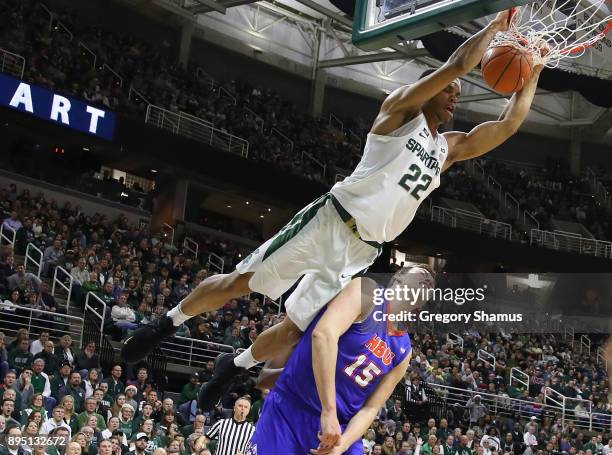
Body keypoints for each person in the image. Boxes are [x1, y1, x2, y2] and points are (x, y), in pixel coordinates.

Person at [123, 7, 545, 410]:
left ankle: (234, 368)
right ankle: (166, 324)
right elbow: (455, 66)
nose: (454, 97)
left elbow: (506, 126)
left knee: (298, 327)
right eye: (448, 92)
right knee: (241, 283)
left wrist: (532, 76)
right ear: (428, 92)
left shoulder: (447, 149)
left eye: (457, 94)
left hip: (362, 251)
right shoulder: (398, 113)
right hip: (328, 221)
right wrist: (494, 28)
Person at [246, 269, 426, 454]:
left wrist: (344, 444)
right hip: (292, 408)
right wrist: (329, 410)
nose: (426, 283)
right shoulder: (367, 293)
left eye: (430, 285)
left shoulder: (404, 350)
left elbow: (371, 408)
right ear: (397, 278)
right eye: (421, 276)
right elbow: (323, 335)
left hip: (339, 429)